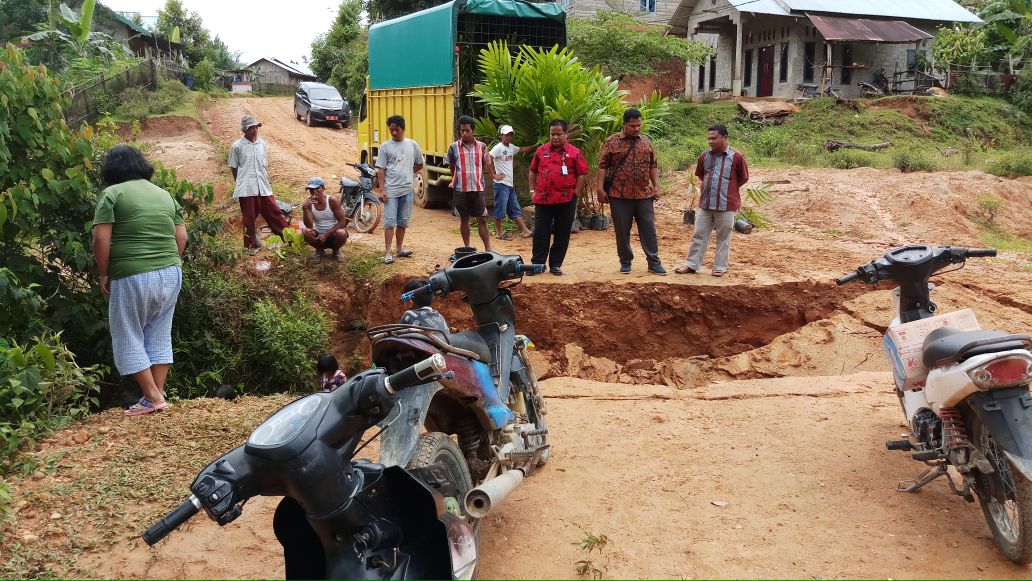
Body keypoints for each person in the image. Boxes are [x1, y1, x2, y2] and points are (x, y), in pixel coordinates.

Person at [92, 145, 187, 417]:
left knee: (127, 334)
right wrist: (167, 262)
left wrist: (104, 273)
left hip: (131, 273)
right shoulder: (165, 195)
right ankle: (153, 398)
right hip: (171, 272)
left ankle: (154, 397)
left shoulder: (112, 194)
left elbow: (100, 239)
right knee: (159, 333)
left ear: (112, 169)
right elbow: (181, 237)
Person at [596, 108, 667, 276]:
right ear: (624, 124)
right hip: (619, 195)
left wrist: (656, 186)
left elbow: (653, 165)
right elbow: (603, 166)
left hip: (643, 194)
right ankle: (625, 261)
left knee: (649, 229)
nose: (637, 129)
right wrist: (599, 188)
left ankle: (654, 262)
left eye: (639, 125)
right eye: (633, 126)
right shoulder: (611, 142)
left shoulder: (646, 142)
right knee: (622, 231)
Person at [677, 124, 750, 277]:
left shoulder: (736, 157)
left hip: (727, 205)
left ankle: (719, 267)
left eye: (714, 138)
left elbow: (743, 178)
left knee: (724, 237)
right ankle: (692, 265)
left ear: (724, 138)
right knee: (699, 234)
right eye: (709, 138)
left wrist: (728, 189)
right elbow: (701, 175)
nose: (711, 141)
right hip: (705, 204)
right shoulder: (704, 156)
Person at [528, 119, 589, 276]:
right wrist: (532, 190)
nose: (555, 137)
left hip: (566, 200)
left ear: (565, 134)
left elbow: (582, 173)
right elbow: (533, 170)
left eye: (559, 134)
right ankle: (538, 264)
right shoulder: (541, 151)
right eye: (552, 134)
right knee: (540, 232)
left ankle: (556, 264)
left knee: (562, 233)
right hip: (543, 199)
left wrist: (576, 193)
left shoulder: (574, 153)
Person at [229, 115, 287, 255]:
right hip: (247, 188)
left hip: (263, 186)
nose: (254, 130)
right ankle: (251, 246)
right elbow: (233, 167)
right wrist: (240, 182)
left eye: (256, 127)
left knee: (275, 213)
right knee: (249, 219)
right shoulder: (237, 146)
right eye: (251, 128)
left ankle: (289, 239)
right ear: (245, 130)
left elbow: (264, 165)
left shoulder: (262, 144)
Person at [375, 115, 424, 264]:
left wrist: (408, 172)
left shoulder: (412, 145)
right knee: (389, 222)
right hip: (391, 191)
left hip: (407, 191)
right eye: (391, 130)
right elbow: (381, 169)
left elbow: (419, 164)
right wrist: (382, 190)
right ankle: (388, 252)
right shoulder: (385, 147)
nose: (394, 133)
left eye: (397, 130)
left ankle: (399, 249)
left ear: (403, 128)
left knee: (403, 222)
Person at [447, 115, 494, 253]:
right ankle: (467, 248)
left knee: (482, 219)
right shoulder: (453, 147)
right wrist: (456, 180)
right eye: (462, 130)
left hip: (477, 189)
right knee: (464, 219)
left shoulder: (482, 147)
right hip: (460, 190)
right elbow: (452, 167)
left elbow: (486, 164)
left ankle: (488, 248)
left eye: (467, 130)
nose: (464, 133)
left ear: (473, 130)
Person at [489, 125, 535, 240]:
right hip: (501, 185)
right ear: (501, 136)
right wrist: (493, 175)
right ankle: (498, 233)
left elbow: (522, 149)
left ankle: (525, 231)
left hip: (509, 185)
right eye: (506, 135)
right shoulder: (498, 148)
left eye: (510, 135)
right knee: (500, 209)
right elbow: (488, 158)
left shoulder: (511, 147)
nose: (509, 137)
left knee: (515, 208)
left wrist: (537, 146)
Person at [300, 177, 348, 262]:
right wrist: (305, 208)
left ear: (323, 188)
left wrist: (326, 234)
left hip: (334, 235)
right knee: (306, 231)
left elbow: (342, 222)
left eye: (317, 188)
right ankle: (319, 251)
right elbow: (309, 226)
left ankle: (336, 251)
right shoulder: (309, 204)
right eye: (311, 190)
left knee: (342, 233)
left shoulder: (332, 201)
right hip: (319, 236)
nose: (314, 192)